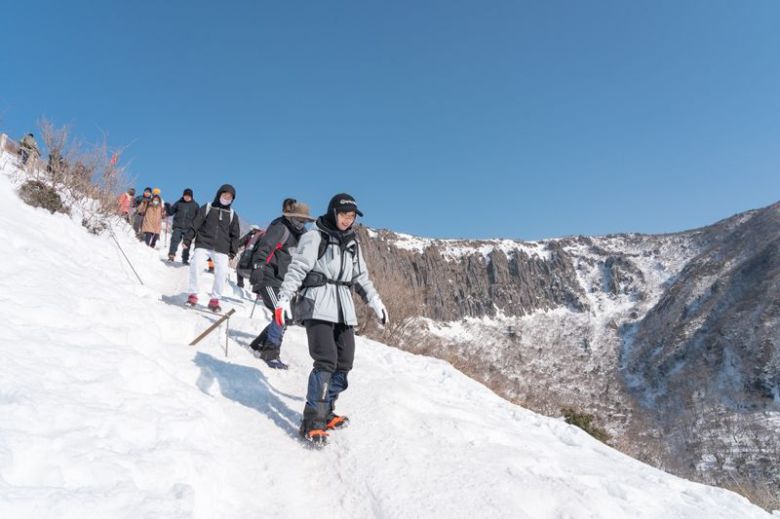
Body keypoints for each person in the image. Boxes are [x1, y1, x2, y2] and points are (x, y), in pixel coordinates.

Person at [274, 193, 388, 444]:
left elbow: (361, 277)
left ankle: (326, 411)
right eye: (344, 215)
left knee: (344, 362)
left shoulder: (352, 242)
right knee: (326, 360)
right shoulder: (315, 236)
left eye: (352, 217)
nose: (348, 220)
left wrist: (375, 301)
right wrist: (284, 297)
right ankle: (312, 420)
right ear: (334, 212)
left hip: (343, 308)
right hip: (317, 304)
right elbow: (298, 267)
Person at [247, 199, 315, 368]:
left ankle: (258, 344)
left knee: (287, 316)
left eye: (304, 221)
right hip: (268, 277)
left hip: (285, 283)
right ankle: (270, 353)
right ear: (291, 217)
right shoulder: (280, 227)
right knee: (281, 313)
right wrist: (258, 267)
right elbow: (265, 247)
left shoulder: (302, 235)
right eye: (299, 220)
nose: (301, 224)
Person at [183, 184, 241, 312]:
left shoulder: (232, 214)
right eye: (225, 195)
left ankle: (214, 300)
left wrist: (233, 251)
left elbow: (235, 235)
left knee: (222, 272)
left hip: (222, 247)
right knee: (196, 265)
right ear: (219, 194)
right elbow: (195, 223)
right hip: (203, 242)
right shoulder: (208, 207)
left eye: (230, 197)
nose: (227, 198)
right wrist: (188, 238)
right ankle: (193, 295)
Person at [167, 188, 198, 264]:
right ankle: (171, 255)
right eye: (185, 195)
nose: (187, 197)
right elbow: (171, 212)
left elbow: (198, 218)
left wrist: (195, 228)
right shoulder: (179, 203)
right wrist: (167, 206)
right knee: (174, 240)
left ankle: (185, 259)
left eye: (188, 196)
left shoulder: (195, 205)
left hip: (188, 228)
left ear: (191, 196)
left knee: (186, 244)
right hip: (178, 226)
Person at [236, 224, 265, 288]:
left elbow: (239, 243)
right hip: (259, 257)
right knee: (257, 272)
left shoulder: (249, 236)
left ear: (252, 230)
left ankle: (240, 285)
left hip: (248, 256)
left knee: (239, 268)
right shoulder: (263, 235)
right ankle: (257, 290)